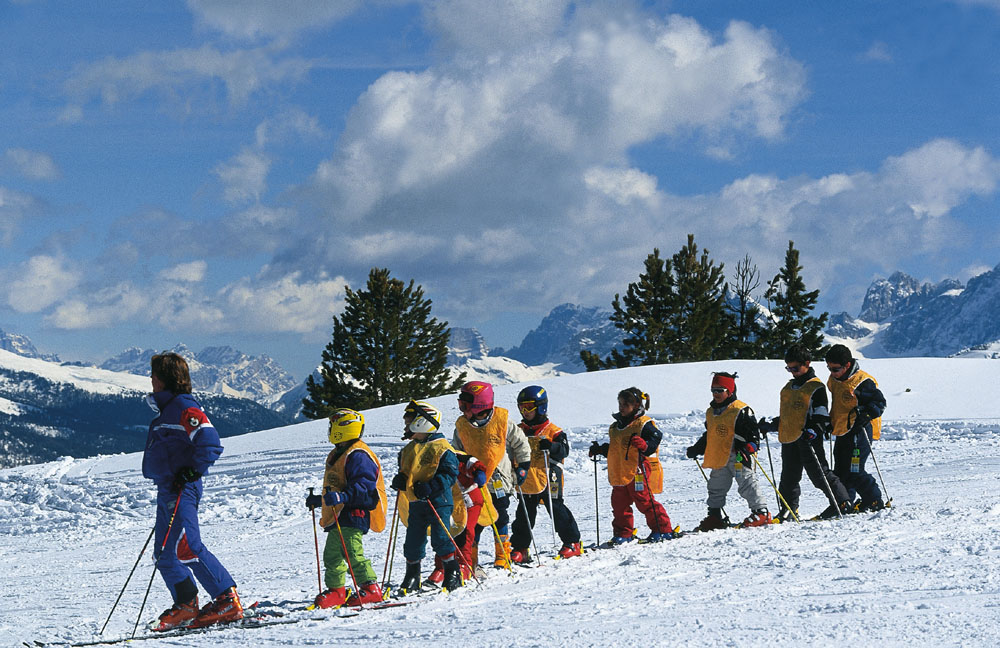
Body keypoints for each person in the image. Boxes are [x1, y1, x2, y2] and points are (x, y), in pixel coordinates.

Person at [142, 352, 242, 632]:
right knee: (164, 555)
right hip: (167, 490)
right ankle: (186, 605)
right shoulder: (168, 409)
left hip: (182, 488)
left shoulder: (184, 407)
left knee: (188, 547)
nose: (151, 380)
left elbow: (209, 442)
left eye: (154, 375)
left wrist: (192, 471)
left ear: (163, 379)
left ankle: (226, 600)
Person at [306, 409, 388, 608]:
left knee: (352, 551)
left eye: (333, 425)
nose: (330, 430)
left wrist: (342, 497)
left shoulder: (358, 455)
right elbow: (337, 485)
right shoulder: (339, 453)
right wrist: (320, 500)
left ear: (343, 428)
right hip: (339, 512)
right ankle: (337, 590)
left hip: (354, 512)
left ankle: (371, 588)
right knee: (332, 554)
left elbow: (364, 486)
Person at [759, 345, 851, 522]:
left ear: (807, 363)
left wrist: (814, 429)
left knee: (819, 474)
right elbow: (789, 415)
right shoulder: (789, 387)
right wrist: (771, 425)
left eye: (795, 368)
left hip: (808, 438)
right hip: (789, 437)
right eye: (789, 368)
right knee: (788, 477)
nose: (792, 372)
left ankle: (842, 502)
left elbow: (821, 413)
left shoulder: (815, 387)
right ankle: (788, 509)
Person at [452, 381, 531, 568]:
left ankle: (502, 553)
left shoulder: (502, 421)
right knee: (475, 520)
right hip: (473, 482)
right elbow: (456, 450)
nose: (462, 409)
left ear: (479, 404)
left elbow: (520, 443)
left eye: (465, 405)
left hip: (498, 479)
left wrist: (523, 466)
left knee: (500, 515)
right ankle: (471, 557)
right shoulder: (463, 426)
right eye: (461, 404)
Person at [390, 400, 462, 592]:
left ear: (423, 422)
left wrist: (432, 486)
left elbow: (450, 474)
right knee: (413, 539)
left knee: (440, 538)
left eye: (409, 422)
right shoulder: (408, 449)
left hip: (438, 501)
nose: (406, 426)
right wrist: (401, 480)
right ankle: (413, 575)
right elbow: (407, 471)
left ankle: (452, 572)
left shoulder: (442, 448)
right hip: (416, 502)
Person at [686, 372, 770, 531]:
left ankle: (761, 511)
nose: (716, 394)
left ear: (730, 391)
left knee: (746, 483)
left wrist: (750, 447)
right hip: (719, 456)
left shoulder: (741, 410)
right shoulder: (711, 412)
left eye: (720, 390)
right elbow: (709, 434)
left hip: (738, 456)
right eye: (713, 390)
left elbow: (753, 434)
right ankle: (715, 516)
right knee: (715, 486)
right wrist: (696, 449)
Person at [588, 387, 673, 544]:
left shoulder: (643, 424)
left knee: (644, 501)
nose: (621, 407)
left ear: (636, 405)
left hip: (638, 469)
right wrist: (600, 449)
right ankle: (624, 532)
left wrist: (645, 445)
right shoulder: (615, 427)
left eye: (626, 404)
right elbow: (616, 449)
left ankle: (662, 528)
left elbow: (655, 440)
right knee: (619, 504)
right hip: (620, 471)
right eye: (620, 403)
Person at [509, 386, 582, 562]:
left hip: (550, 476)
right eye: (522, 407)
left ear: (541, 407)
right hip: (526, 478)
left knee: (556, 509)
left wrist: (552, 446)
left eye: (529, 407)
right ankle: (521, 547)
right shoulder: (518, 430)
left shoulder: (554, 431)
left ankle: (572, 542)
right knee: (524, 513)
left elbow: (564, 450)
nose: (525, 412)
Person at [825, 344, 887, 512]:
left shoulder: (862, 382)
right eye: (829, 368)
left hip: (860, 430)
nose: (832, 372)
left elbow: (880, 403)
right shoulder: (834, 380)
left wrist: (867, 414)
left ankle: (873, 499)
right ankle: (845, 502)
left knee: (855, 469)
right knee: (839, 469)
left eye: (836, 369)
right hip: (842, 429)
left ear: (847, 365)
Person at [424, 453, 487, 587]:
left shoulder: (455, 458)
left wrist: (479, 473)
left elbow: (474, 464)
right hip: (449, 500)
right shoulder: (429, 459)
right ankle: (442, 566)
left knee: (465, 531)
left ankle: (465, 565)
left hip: (469, 500)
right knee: (445, 531)